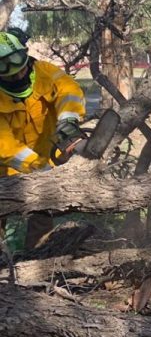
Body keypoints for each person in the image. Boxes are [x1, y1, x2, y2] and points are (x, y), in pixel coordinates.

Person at [0, 30, 86, 251]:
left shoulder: (44, 71)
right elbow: (6, 147)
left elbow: (69, 90)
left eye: (20, 70)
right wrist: (40, 168)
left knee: (42, 217)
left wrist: (68, 119)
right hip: (6, 171)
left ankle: (35, 264)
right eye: (9, 74)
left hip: (41, 161)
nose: (18, 77)